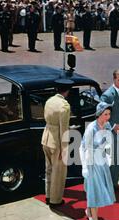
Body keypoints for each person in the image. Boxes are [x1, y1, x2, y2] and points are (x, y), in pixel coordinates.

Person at [80, 101, 115, 220]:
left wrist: (109, 156)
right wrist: (84, 167)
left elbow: (108, 143)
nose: (108, 117)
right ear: (99, 114)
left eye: (109, 114)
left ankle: (89, 211)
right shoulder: (91, 129)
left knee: (95, 191)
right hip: (92, 164)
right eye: (105, 114)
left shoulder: (106, 126)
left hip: (102, 163)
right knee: (94, 194)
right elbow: (83, 148)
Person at [41, 79, 74, 207]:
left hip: (46, 138)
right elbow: (64, 129)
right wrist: (64, 149)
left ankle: (48, 195)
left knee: (48, 169)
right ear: (67, 91)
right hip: (56, 142)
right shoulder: (64, 106)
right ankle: (55, 200)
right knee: (58, 172)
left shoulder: (49, 101)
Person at [101, 69, 119, 190]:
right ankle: (107, 184)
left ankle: (114, 183)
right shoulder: (107, 95)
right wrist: (112, 126)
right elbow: (102, 115)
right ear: (114, 79)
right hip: (111, 132)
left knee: (118, 159)